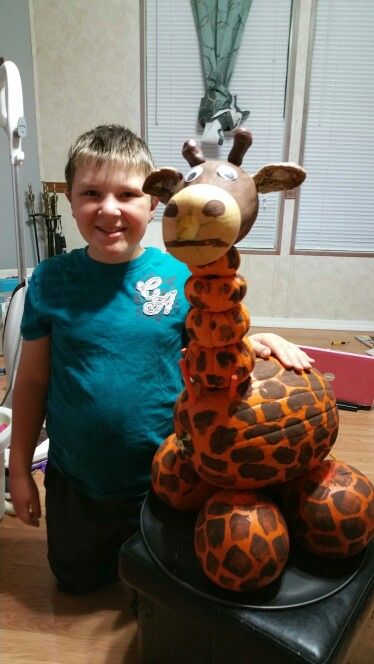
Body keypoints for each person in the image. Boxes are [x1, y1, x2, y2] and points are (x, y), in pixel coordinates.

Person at [9, 125, 314, 595]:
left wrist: (258, 337)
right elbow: (30, 384)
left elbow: (214, 345)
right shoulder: (50, 280)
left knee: (154, 594)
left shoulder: (181, 276)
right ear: (70, 199)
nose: (109, 208)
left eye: (127, 194)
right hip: (77, 481)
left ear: (154, 203)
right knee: (74, 581)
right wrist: (19, 471)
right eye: (91, 192)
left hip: (167, 478)